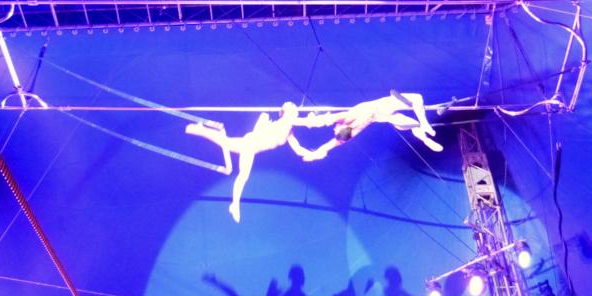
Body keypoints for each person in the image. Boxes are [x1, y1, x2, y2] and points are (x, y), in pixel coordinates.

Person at [185, 102, 313, 223]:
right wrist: (316, 118)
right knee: (226, 144)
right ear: (286, 112)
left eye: (292, 106)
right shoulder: (286, 121)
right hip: (250, 143)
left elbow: (298, 149)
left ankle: (234, 204)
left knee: (242, 174)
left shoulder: (289, 130)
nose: (292, 106)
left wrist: (313, 154)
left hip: (251, 149)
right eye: (289, 106)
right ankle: (199, 129)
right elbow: (307, 122)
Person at [297, 91, 443, 161]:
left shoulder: (350, 133)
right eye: (335, 129)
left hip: (383, 117)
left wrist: (315, 154)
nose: (334, 128)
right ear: (341, 127)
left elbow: (329, 145)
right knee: (417, 99)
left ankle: (425, 136)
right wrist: (297, 121)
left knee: (411, 123)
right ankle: (425, 127)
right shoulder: (346, 118)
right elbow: (324, 121)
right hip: (383, 107)